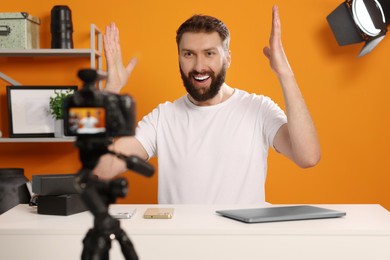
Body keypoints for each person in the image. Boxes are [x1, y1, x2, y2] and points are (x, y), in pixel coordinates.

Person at [94, 5, 321, 204]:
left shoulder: (258, 109)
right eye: (189, 54)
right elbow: (102, 170)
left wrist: (286, 75)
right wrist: (111, 90)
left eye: (209, 53)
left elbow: (308, 156)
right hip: (183, 248)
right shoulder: (163, 117)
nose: (199, 65)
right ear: (179, 57)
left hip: (243, 247)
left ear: (227, 57)